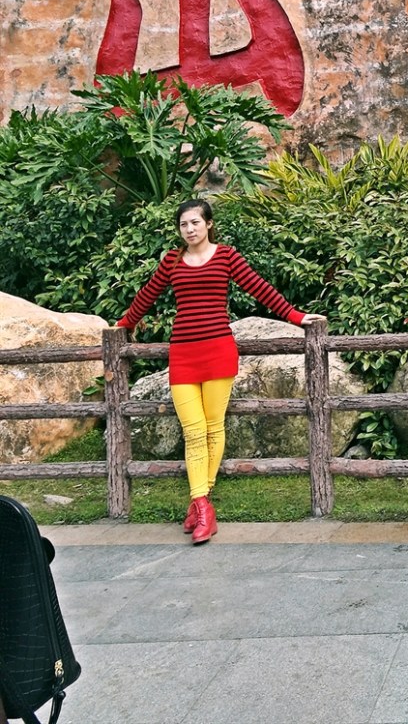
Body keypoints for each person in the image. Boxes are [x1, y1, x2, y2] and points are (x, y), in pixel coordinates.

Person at [115, 197, 320, 545]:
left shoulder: (226, 256)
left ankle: (200, 506)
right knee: (193, 432)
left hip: (219, 352)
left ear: (208, 224)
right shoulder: (172, 261)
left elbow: (260, 288)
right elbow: (147, 296)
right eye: (183, 224)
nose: (189, 229)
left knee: (212, 428)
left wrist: (296, 317)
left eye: (195, 222)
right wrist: (122, 324)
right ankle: (203, 505)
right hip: (183, 355)